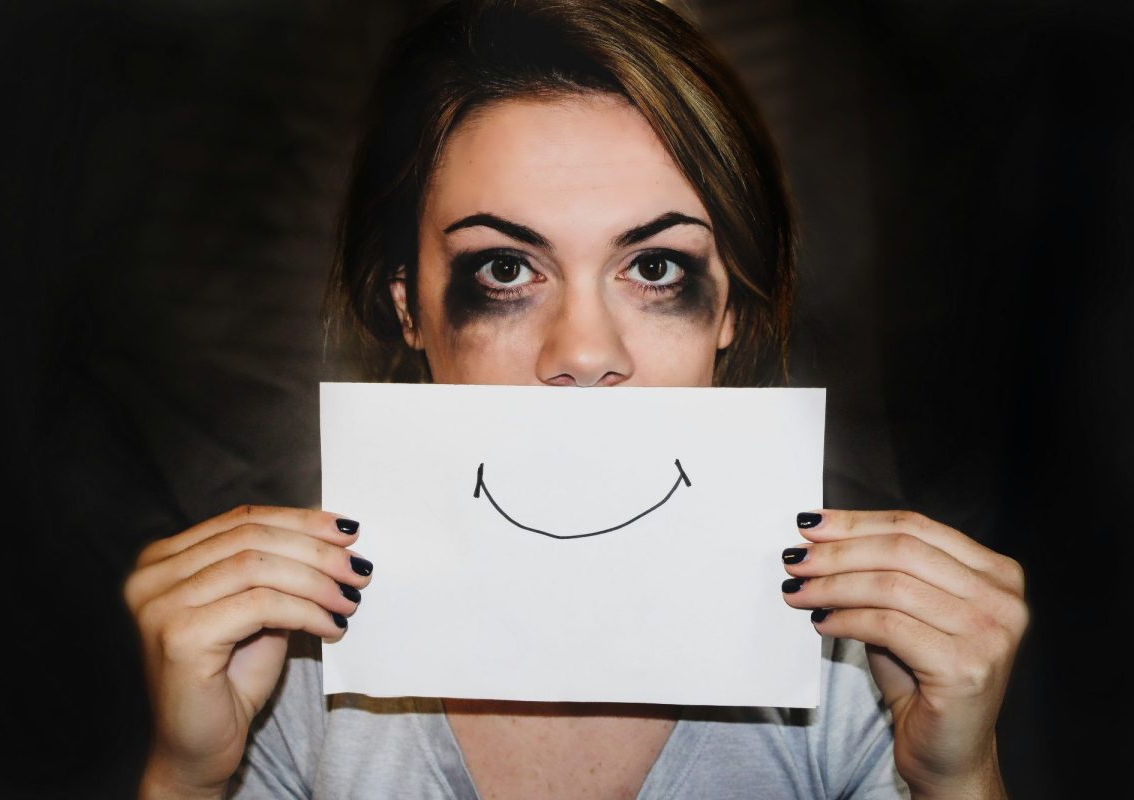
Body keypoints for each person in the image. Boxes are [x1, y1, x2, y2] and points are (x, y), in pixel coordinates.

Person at [123, 1, 1028, 797]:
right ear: (409, 307)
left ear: (731, 312)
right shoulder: (290, 668)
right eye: (507, 269)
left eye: (656, 267)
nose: (585, 353)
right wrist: (188, 778)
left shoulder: (862, 669)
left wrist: (956, 780)